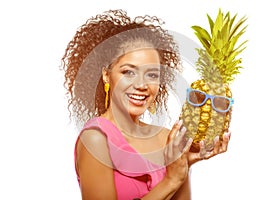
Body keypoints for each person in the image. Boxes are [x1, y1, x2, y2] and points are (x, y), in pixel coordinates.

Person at [61, 9, 231, 200]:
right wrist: (171, 181)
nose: (141, 85)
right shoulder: (96, 140)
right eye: (128, 72)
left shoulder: (165, 138)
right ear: (107, 76)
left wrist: (183, 166)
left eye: (151, 75)